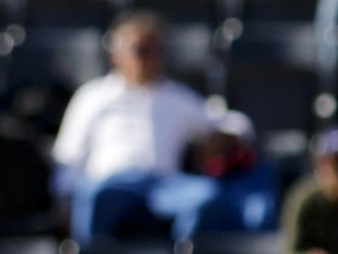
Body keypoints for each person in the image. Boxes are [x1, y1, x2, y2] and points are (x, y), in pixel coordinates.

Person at [52, 14, 216, 240]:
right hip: (110, 185)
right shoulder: (93, 96)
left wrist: (232, 133)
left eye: (155, 51)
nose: (147, 59)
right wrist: (64, 197)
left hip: (163, 186)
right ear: (116, 55)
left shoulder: (177, 97)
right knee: (91, 196)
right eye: (139, 50)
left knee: (204, 195)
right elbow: (70, 154)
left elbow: (222, 124)